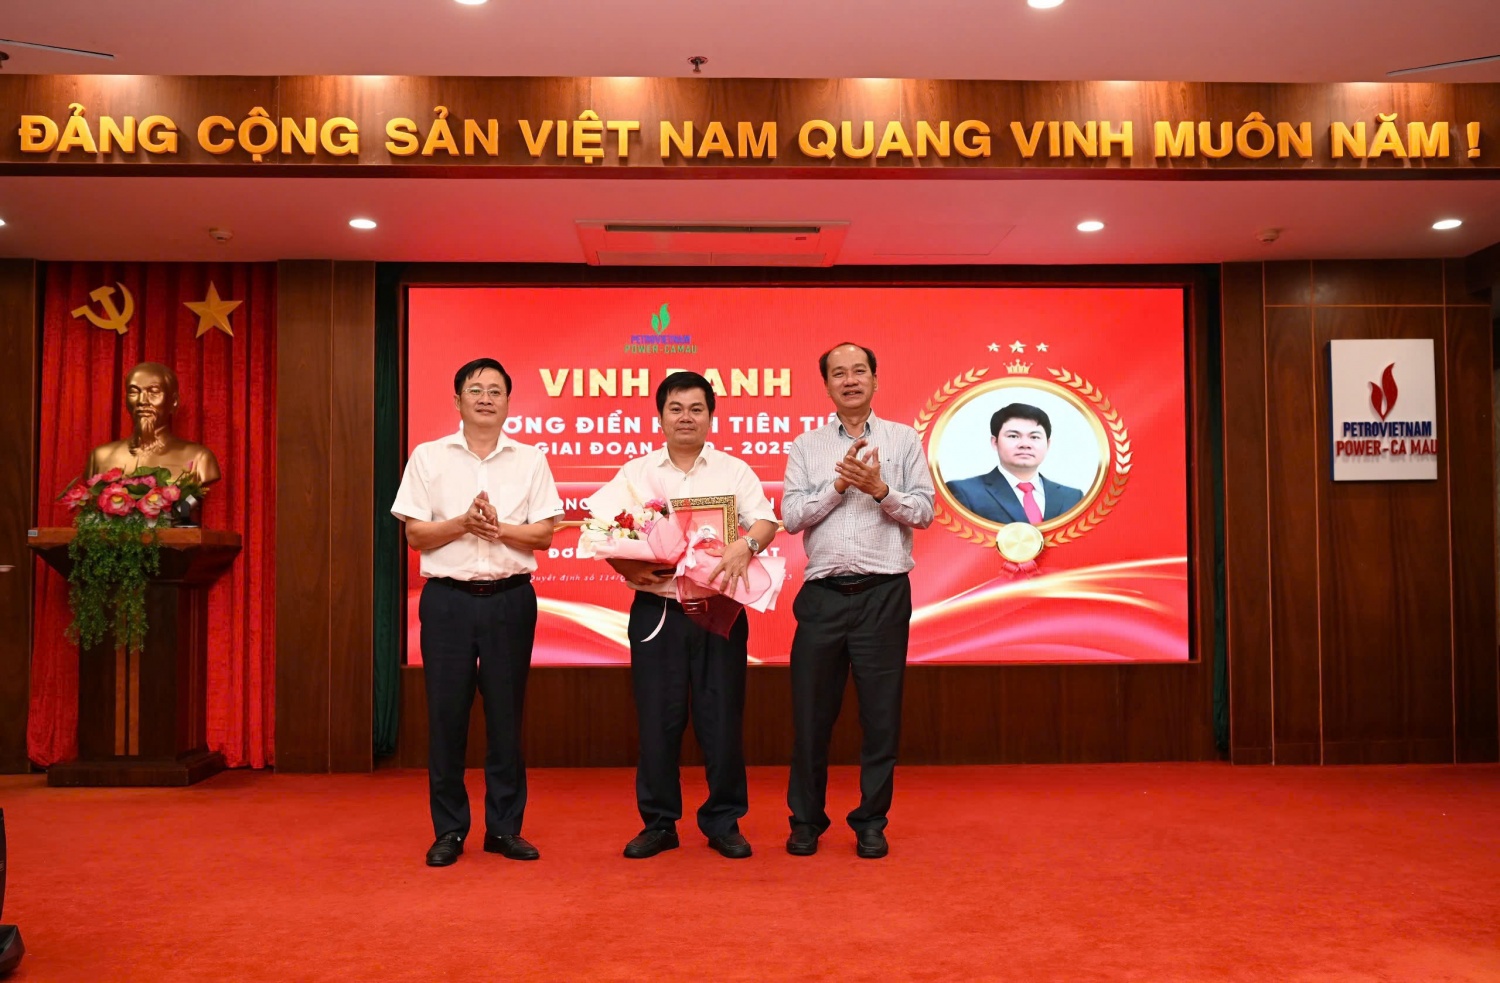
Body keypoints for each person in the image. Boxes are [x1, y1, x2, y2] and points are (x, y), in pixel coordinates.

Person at [583, 371, 778, 860]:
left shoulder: (733, 470)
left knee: (722, 718)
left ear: (711, 415)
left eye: (696, 408)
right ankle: (659, 823)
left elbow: (765, 520)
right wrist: (625, 564)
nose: (686, 417)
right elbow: (598, 529)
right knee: (658, 719)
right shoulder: (636, 473)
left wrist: (747, 545)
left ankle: (724, 821)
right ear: (661, 416)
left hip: (719, 608)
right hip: (659, 609)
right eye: (676, 408)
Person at [391, 358, 562, 867]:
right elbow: (415, 534)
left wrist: (497, 528)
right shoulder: (429, 457)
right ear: (457, 400)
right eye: (475, 390)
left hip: (510, 600)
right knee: (446, 718)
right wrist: (464, 523)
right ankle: (449, 830)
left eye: (495, 391)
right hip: (447, 602)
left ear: (508, 402)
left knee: (507, 718)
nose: (485, 398)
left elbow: (544, 534)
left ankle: (504, 829)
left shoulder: (531, 460)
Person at [781, 342, 934, 859]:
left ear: (875, 379)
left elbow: (925, 512)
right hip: (822, 598)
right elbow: (791, 517)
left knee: (881, 718)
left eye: (859, 371)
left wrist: (881, 490)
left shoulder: (903, 439)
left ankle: (871, 821)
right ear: (826, 385)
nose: (850, 380)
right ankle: (806, 820)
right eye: (839, 373)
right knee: (810, 717)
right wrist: (839, 485)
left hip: (883, 595)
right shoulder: (806, 446)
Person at [944, 403, 1084, 525]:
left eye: (1034, 437)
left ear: (1047, 444)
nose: (1025, 444)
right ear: (995, 442)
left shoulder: (1072, 497)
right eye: (1013, 436)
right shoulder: (965, 492)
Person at [86, 362, 221, 484]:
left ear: (174, 401)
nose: (142, 401)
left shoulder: (199, 458)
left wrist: (182, 503)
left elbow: (189, 502)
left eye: (154, 392)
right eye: (134, 392)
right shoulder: (100, 457)